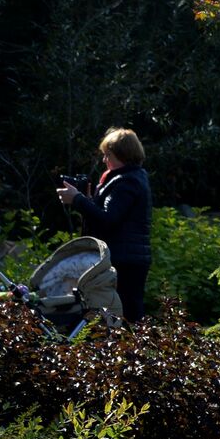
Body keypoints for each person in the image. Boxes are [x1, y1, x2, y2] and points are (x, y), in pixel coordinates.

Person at [56, 128, 152, 321]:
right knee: (125, 310)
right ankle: (132, 347)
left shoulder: (126, 182)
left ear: (121, 155)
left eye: (107, 155)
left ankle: (134, 348)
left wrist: (78, 200)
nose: (104, 160)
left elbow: (108, 220)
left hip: (124, 259)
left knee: (126, 312)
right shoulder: (131, 178)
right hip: (128, 256)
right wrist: (88, 200)